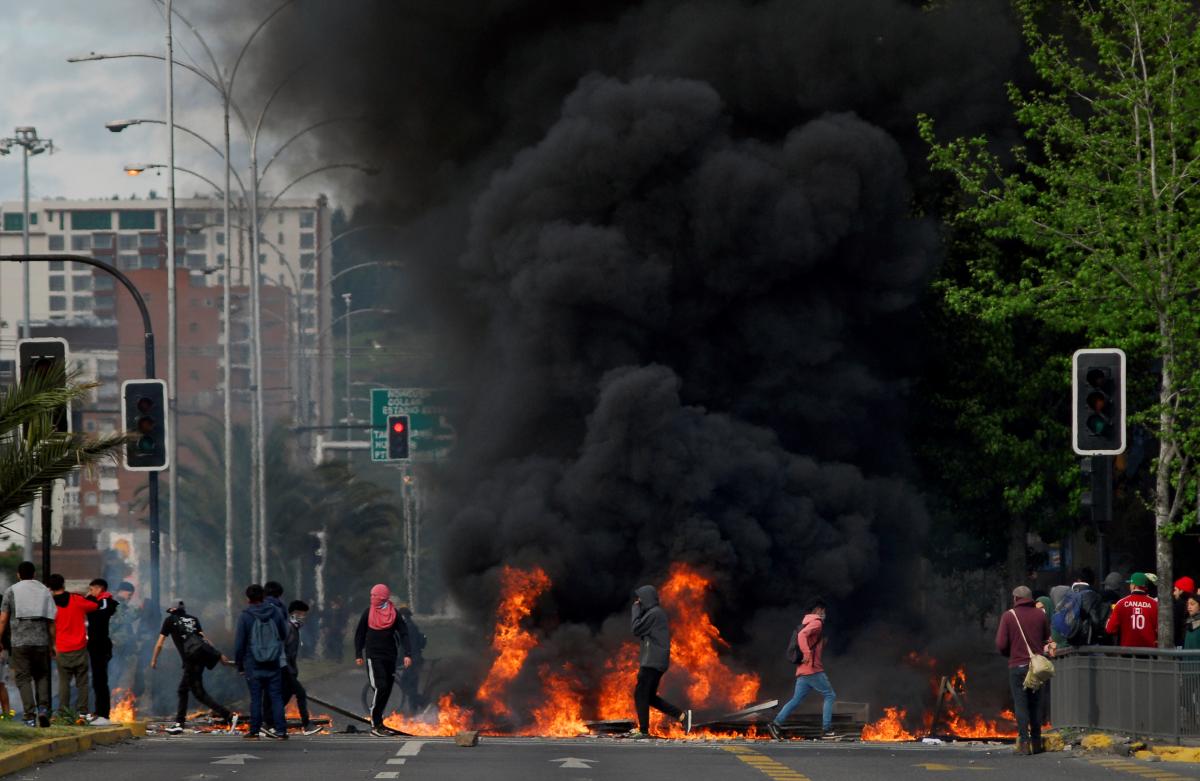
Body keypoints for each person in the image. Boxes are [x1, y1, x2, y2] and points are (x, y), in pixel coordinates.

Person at [151, 601, 235, 735]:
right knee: (185, 690)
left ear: (172, 609)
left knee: (198, 693)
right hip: (200, 657)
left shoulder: (170, 620)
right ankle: (180, 722)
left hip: (190, 658)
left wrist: (154, 660)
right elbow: (205, 640)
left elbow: (160, 644)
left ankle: (228, 715)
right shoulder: (193, 619)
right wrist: (218, 654)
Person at [624, 584, 691, 739]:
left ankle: (643, 730)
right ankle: (682, 716)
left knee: (640, 694)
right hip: (656, 661)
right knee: (649, 696)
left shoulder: (654, 613)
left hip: (652, 661)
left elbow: (635, 629)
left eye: (640, 599)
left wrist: (635, 610)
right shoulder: (656, 613)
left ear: (646, 599)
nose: (638, 601)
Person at [766, 598, 838, 741]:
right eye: (822, 610)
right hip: (813, 670)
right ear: (817, 611)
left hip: (803, 671)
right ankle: (827, 729)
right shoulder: (817, 622)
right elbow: (802, 635)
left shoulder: (807, 622)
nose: (824, 613)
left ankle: (775, 724)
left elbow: (808, 639)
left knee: (796, 700)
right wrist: (807, 653)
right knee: (830, 696)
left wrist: (819, 645)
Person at [995, 585, 1054, 755]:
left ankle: (1023, 743)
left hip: (1017, 667)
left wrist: (1011, 654)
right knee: (1036, 704)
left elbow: (1000, 645)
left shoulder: (1008, 616)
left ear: (1015, 599)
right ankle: (1036, 742)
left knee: (1021, 704)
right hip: (1036, 667)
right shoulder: (1040, 615)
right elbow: (1046, 638)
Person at [0, 562, 56, 727]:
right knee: (42, 676)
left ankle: (29, 716)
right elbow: (51, 621)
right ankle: (44, 710)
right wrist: (53, 644)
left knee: (23, 678)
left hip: (19, 642)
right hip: (40, 641)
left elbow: (3, 619)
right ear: (34, 574)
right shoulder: (44, 591)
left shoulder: (11, 591)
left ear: (18, 574)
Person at [354, 584, 413, 737]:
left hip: (390, 657)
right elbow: (360, 634)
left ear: (383, 597)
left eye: (375, 595)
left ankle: (379, 723)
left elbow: (404, 633)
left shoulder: (394, 614)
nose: (372, 598)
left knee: (387, 689)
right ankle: (375, 724)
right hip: (374, 657)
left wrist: (407, 654)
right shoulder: (368, 613)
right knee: (380, 686)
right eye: (371, 595)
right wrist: (358, 654)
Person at [235, 584, 289, 741]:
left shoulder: (245, 616)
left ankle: (254, 731)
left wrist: (240, 664)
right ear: (263, 596)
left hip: (253, 663)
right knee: (276, 697)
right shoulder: (276, 612)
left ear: (248, 599)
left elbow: (240, 643)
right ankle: (281, 731)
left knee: (256, 698)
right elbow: (284, 634)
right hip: (273, 662)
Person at [48, 574, 98, 718]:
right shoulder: (76, 599)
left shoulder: (51, 605)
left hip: (62, 648)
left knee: (64, 682)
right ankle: (82, 711)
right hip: (80, 647)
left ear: (50, 588)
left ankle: (63, 712)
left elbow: (50, 627)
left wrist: (53, 645)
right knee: (82, 681)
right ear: (63, 584)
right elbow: (94, 606)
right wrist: (89, 596)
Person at [282, 600, 320, 736]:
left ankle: (269, 721)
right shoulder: (289, 628)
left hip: (288, 669)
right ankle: (306, 724)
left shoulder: (294, 629)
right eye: (302, 614)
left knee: (284, 697)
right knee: (300, 693)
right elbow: (284, 650)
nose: (303, 617)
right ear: (294, 613)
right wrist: (288, 668)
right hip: (285, 669)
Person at [84, 578, 118, 726]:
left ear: (99, 589)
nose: (89, 593)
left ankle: (103, 713)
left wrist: (90, 601)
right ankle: (99, 712)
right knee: (97, 680)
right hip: (94, 644)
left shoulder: (105, 602)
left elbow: (98, 615)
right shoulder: (98, 602)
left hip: (101, 645)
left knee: (100, 680)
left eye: (91, 590)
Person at [1105, 572, 1158, 648]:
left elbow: (1110, 629)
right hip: (1149, 653)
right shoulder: (1155, 604)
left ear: (1133, 586)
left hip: (1127, 652)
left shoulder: (1121, 603)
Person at [396, 604, 427, 714]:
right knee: (410, 686)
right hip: (414, 660)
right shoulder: (411, 626)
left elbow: (408, 648)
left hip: (412, 661)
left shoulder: (408, 628)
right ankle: (414, 710)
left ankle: (423, 703)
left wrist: (398, 661)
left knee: (408, 685)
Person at [1174, 577, 1196, 648]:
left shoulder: (1179, 605)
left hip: (1180, 644)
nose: (1173, 593)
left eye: (1175, 590)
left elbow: (1175, 627)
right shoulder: (1194, 605)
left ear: (1181, 591)